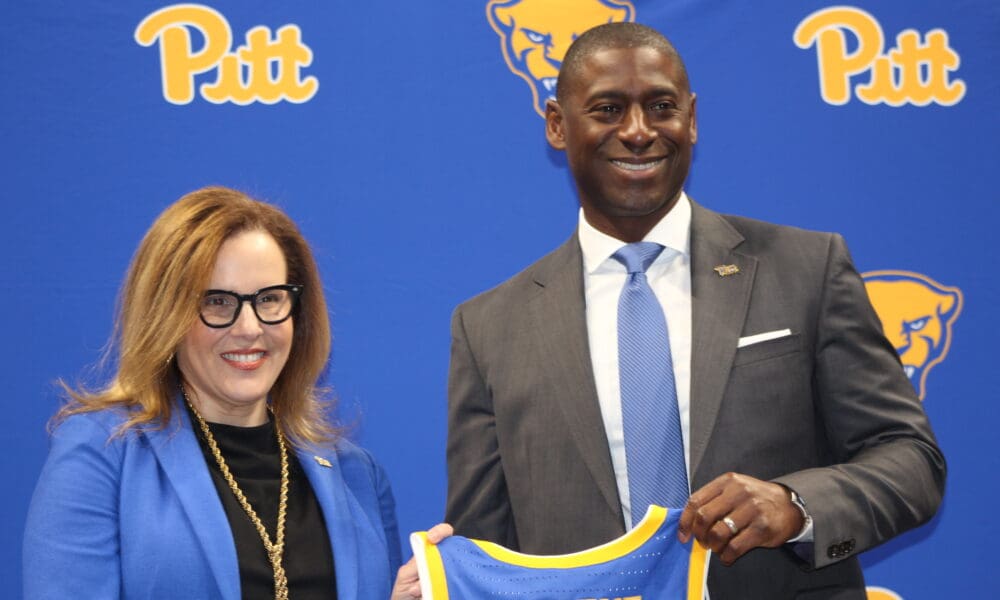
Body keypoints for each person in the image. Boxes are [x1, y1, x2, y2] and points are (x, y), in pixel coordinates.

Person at [445, 23, 945, 598]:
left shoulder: (806, 269)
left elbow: (912, 462)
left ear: (692, 117)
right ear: (558, 125)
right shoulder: (489, 327)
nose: (638, 132)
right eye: (607, 109)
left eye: (661, 107)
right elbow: (483, 551)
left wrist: (793, 505)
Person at [23, 186, 448, 599]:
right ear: (165, 314)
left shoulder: (357, 474)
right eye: (218, 302)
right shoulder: (103, 454)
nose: (249, 328)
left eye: (269, 298)